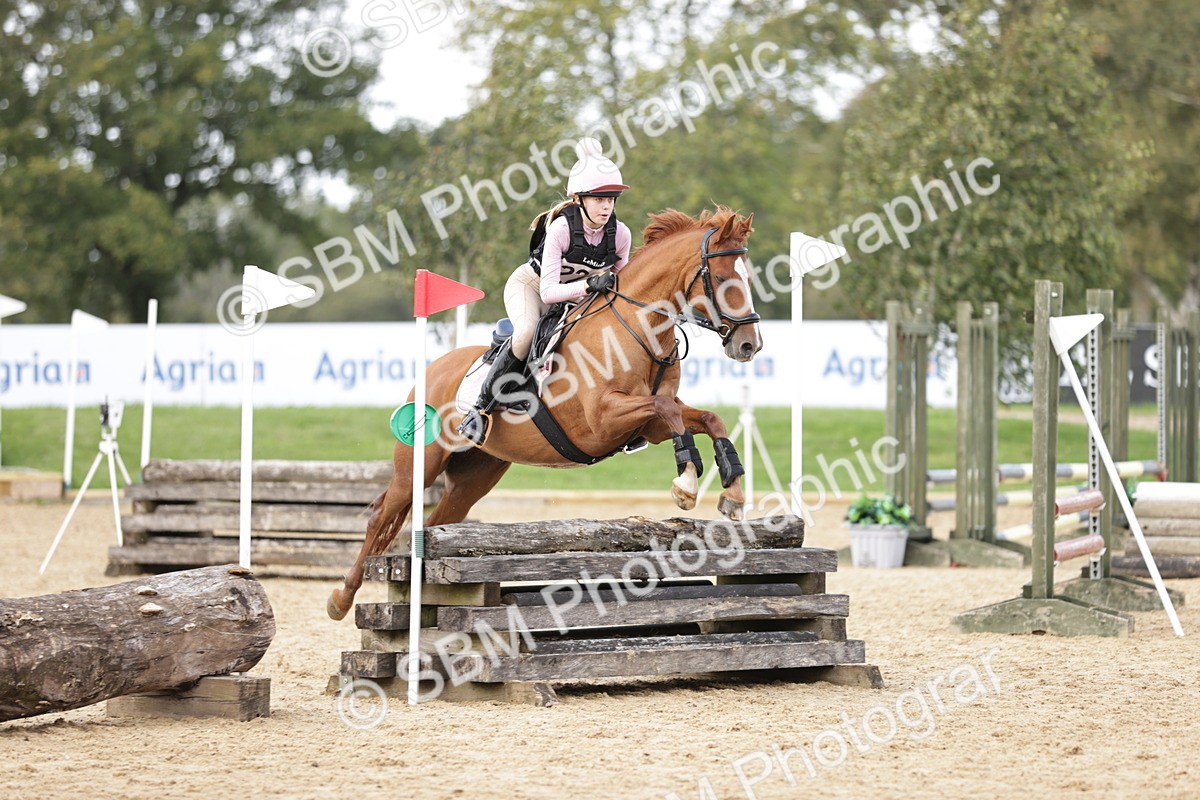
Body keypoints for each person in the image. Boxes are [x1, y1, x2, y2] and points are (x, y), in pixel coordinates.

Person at [458, 137, 633, 444]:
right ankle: (479, 409)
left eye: (611, 199)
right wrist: (590, 284)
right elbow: (549, 292)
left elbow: (621, 285)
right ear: (579, 199)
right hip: (533, 287)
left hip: (576, 298)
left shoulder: (620, 234)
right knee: (526, 331)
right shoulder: (562, 229)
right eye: (598, 199)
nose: (606, 206)